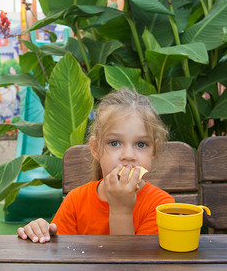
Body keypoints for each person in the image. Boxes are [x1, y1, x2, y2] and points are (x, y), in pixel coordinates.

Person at [17, 88, 175, 243]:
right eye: (114, 143)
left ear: (153, 150)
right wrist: (40, 231)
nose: (128, 155)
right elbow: (60, 253)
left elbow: (131, 265)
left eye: (141, 144)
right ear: (95, 148)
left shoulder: (161, 206)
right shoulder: (76, 201)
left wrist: (121, 211)